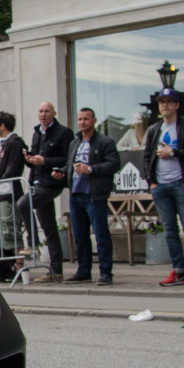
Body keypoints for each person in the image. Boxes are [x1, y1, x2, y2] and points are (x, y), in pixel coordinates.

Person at [144, 88, 184, 286]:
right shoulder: (154, 130)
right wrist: (151, 181)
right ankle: (178, 271)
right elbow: (147, 157)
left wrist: (174, 153)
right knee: (170, 231)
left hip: (182, 184)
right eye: (162, 102)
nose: (165, 105)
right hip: (160, 186)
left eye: (170, 101)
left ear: (177, 105)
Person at [16, 101, 73, 283]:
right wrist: (29, 158)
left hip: (51, 182)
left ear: (54, 113)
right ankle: (56, 270)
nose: (43, 114)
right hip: (37, 181)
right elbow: (37, 157)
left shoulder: (63, 133)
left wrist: (45, 161)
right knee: (49, 227)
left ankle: (33, 243)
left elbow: (67, 158)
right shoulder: (37, 132)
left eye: (47, 111)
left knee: (24, 203)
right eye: (40, 111)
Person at [65, 108, 121, 285]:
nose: (82, 122)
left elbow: (114, 164)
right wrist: (61, 173)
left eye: (86, 119)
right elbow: (69, 165)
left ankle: (106, 273)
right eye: (80, 119)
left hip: (94, 195)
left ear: (94, 120)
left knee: (100, 234)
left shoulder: (104, 142)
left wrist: (91, 169)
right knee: (80, 236)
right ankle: (83, 271)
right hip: (76, 194)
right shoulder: (75, 143)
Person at [0, 111, 28, 269]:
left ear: (3, 125)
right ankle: (13, 264)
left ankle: (20, 265)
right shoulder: (5, 143)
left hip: (10, 194)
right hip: (2, 194)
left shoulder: (14, 143)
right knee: (3, 230)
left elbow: (12, 170)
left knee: (11, 229)